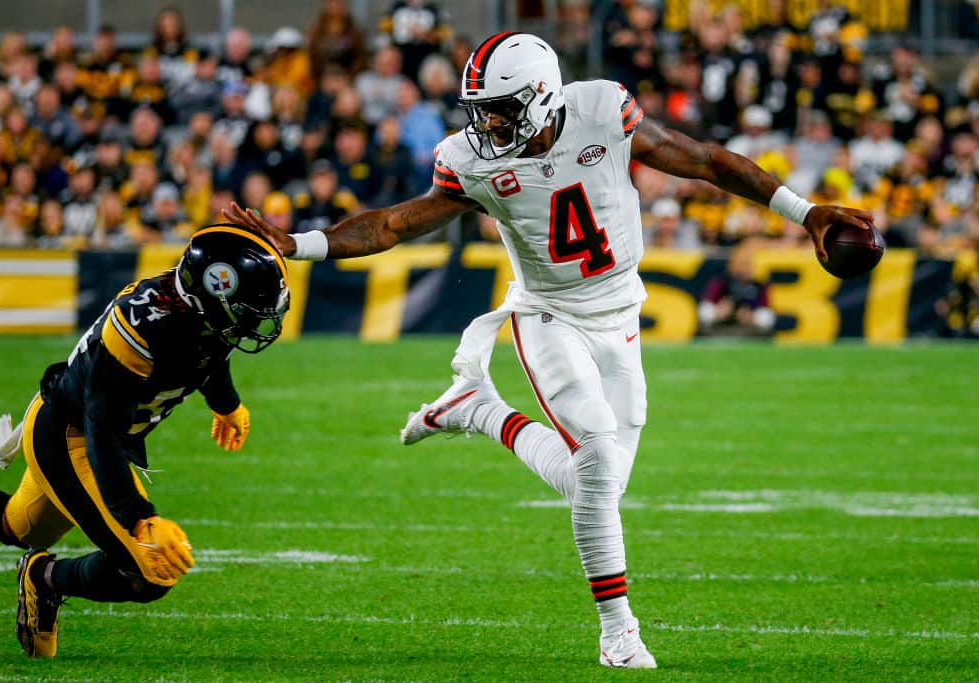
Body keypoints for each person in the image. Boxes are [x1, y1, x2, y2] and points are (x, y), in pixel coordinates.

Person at [223, 32, 871, 669]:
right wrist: (302, 242)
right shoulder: (473, 160)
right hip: (547, 314)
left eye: (498, 108)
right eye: (479, 110)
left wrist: (804, 210)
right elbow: (394, 222)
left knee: (599, 485)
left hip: (621, 313)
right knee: (592, 450)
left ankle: (479, 409)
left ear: (538, 97)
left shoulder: (601, 112)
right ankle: (618, 631)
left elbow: (702, 160)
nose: (485, 123)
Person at [0, 225, 290, 658]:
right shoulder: (141, 329)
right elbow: (103, 434)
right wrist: (138, 517)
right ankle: (44, 578)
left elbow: (212, 350)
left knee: (15, 525)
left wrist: (226, 404)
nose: (256, 321)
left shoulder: (197, 308)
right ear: (211, 292)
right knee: (150, 568)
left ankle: (38, 573)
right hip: (70, 434)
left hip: (93, 431)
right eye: (247, 309)